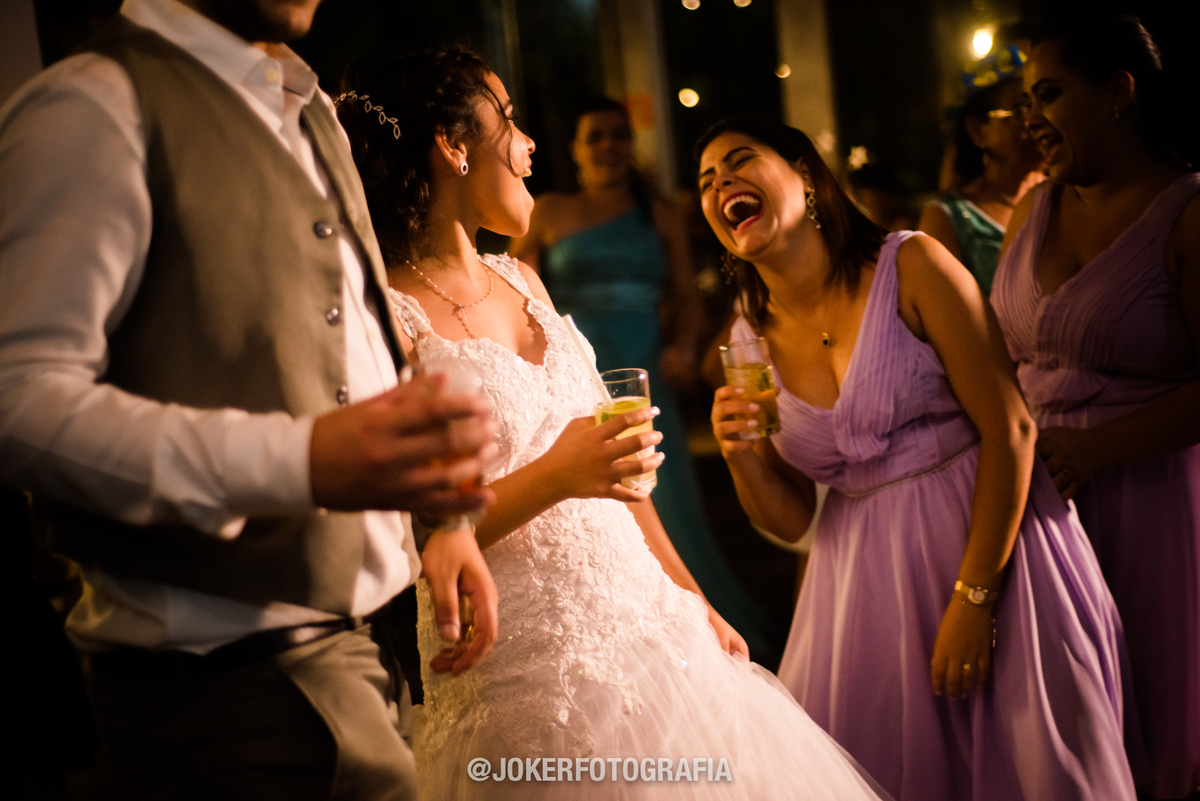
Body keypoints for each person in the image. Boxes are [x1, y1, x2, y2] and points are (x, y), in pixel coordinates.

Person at [340, 49, 890, 801]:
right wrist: (559, 474)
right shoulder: (384, 315)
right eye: (510, 121)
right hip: (521, 678)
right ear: (452, 144)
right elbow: (403, 534)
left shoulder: (523, 279)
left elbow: (616, 471)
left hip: (651, 629)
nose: (531, 145)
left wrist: (695, 597)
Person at [0, 1, 500, 798]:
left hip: (375, 648)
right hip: (226, 689)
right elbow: (20, 402)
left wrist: (443, 520)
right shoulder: (95, 104)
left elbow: (360, 338)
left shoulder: (315, 114)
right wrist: (299, 461)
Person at [699, 117, 1139, 801]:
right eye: (705, 180)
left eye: (738, 161)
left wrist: (975, 599)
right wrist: (741, 458)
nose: (720, 182)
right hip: (857, 591)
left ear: (807, 176)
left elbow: (1011, 429)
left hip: (992, 550)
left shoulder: (914, 266)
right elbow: (789, 522)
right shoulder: (745, 339)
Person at [991, 15, 1200, 799]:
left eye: (1047, 94)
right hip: (1037, 503)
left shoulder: (1186, 212)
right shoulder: (1031, 208)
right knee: (1057, 734)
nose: (1029, 119)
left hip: (1152, 506)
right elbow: (999, 361)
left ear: (1118, 94)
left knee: (1152, 727)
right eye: (1023, 99)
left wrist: (1098, 448)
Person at [508, 98, 781, 660]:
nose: (609, 145)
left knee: (663, 497)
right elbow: (517, 296)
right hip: (576, 369)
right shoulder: (550, 210)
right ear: (575, 149)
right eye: (596, 136)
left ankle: (694, 610)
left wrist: (682, 346)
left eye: (618, 135)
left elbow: (685, 295)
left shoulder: (656, 213)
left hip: (642, 375)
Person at [919, 47, 1044, 295]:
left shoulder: (1061, 195)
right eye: (1020, 111)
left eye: (1039, 105)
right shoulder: (947, 218)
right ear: (978, 131)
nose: (1035, 122)